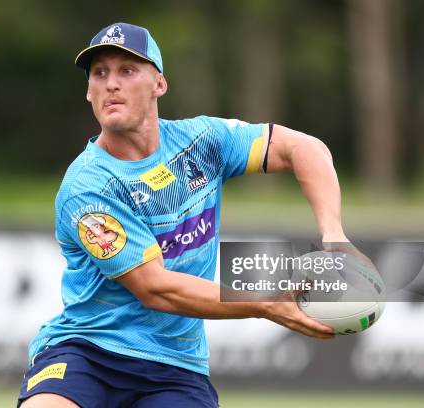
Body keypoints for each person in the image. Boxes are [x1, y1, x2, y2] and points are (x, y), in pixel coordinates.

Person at [18, 22, 345, 408]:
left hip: (174, 366)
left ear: (159, 84)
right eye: (99, 73)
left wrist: (334, 236)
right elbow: (156, 288)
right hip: (88, 352)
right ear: (89, 92)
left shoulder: (201, 141)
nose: (111, 84)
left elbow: (304, 149)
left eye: (127, 70)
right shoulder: (88, 187)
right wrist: (265, 301)